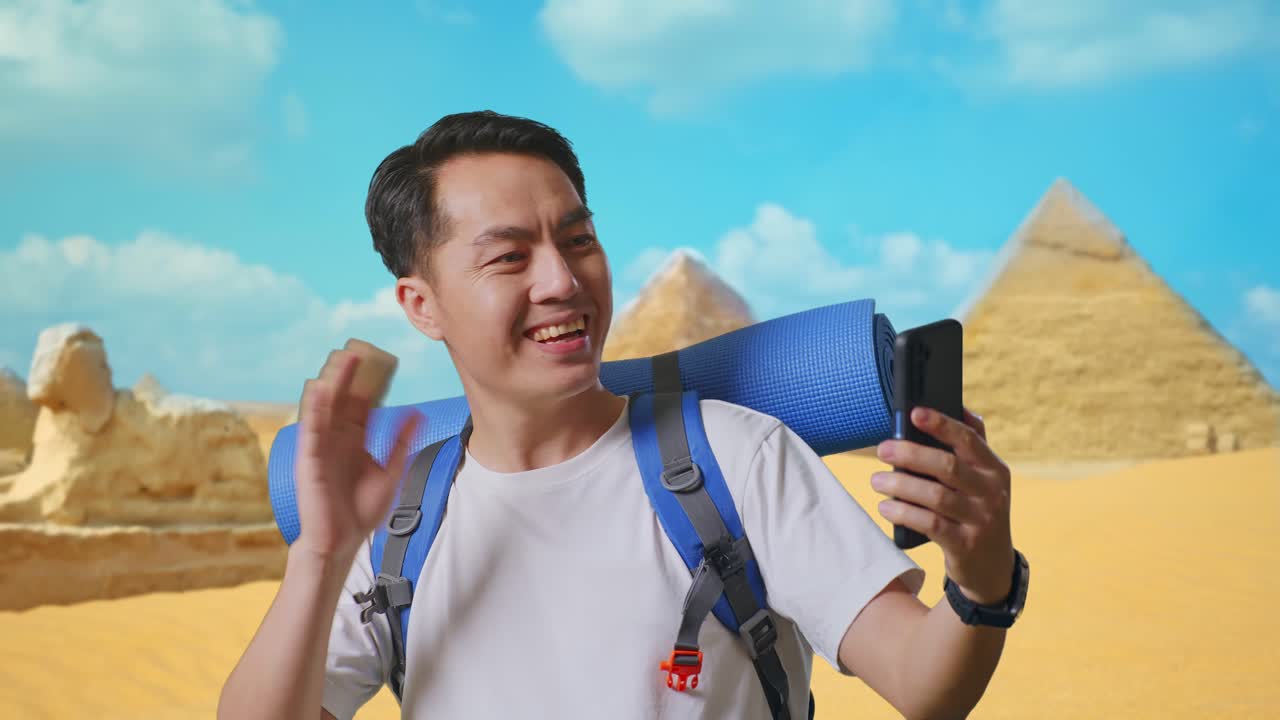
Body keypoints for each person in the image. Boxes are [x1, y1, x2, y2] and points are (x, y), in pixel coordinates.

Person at [218, 111, 1025, 720]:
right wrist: (322, 554)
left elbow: (924, 681)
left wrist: (982, 581)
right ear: (421, 305)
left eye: (578, 240)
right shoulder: (398, 518)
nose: (563, 282)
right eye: (508, 257)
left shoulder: (737, 458)